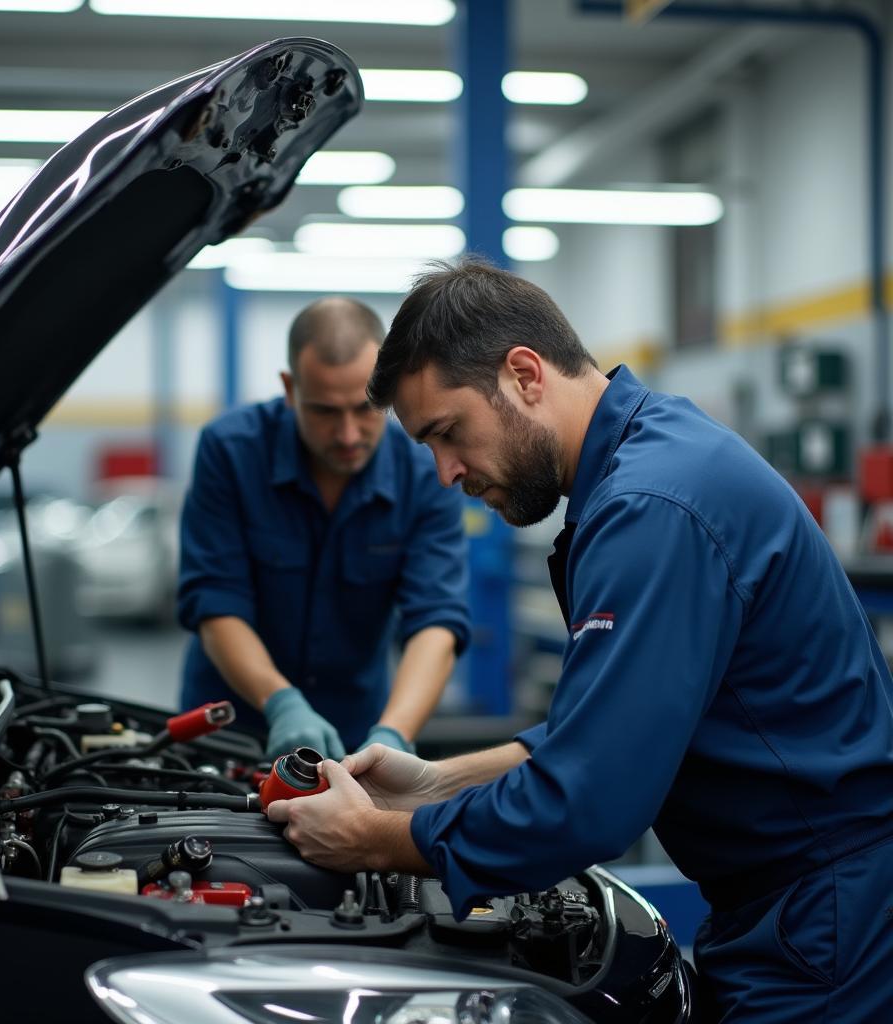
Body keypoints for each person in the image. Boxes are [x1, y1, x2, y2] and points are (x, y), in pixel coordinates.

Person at [267, 259, 893, 1023]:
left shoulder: (651, 508)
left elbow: (588, 802)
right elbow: (606, 733)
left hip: (827, 921)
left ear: (525, 373)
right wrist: (434, 783)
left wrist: (375, 840)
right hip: (796, 908)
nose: (443, 473)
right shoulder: (652, 459)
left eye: (448, 432)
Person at [177, 296, 471, 761]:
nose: (349, 434)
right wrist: (281, 702)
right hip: (229, 730)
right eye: (325, 412)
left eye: (364, 408)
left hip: (356, 734)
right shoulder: (231, 452)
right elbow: (214, 600)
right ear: (290, 389)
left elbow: (435, 620)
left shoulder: (422, 472)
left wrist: (393, 734)